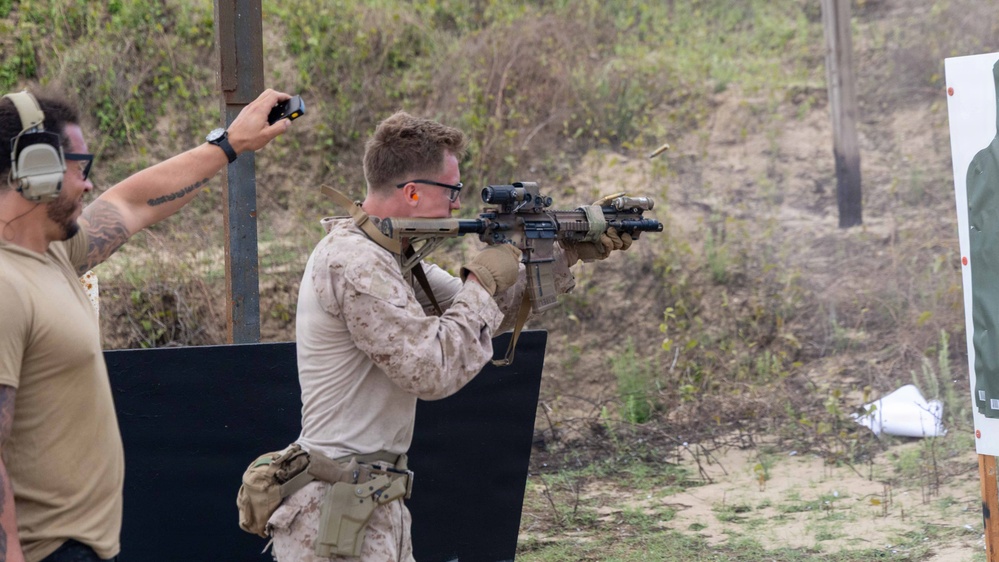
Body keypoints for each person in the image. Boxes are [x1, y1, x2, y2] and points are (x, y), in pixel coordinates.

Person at [267, 111, 632, 561]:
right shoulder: (355, 263)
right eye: (452, 190)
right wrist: (482, 280)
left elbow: (478, 316)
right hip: (336, 508)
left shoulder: (392, 258)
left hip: (366, 501)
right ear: (413, 192)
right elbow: (431, 369)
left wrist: (563, 253)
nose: (458, 205)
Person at [0, 86, 295, 562]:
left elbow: (136, 202)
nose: (87, 184)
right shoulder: (5, 285)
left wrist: (231, 144)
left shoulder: (52, 252)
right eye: (79, 168)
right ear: (34, 169)